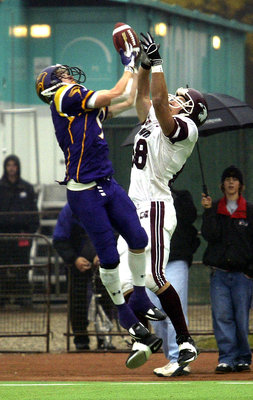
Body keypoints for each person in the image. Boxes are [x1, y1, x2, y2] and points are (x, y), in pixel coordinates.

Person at [35, 40, 165, 369]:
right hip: (84, 191)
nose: (69, 75)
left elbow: (120, 100)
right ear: (53, 85)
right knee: (107, 257)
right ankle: (124, 313)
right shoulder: (64, 97)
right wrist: (127, 62)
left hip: (106, 181)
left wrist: (143, 68)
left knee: (138, 239)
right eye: (62, 74)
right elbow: (111, 93)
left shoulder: (78, 104)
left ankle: (139, 297)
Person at [118, 31, 208, 373]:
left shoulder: (187, 128)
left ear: (190, 110)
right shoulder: (156, 118)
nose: (174, 97)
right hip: (133, 206)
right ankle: (144, 337)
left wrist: (157, 63)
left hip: (154, 207)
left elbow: (157, 102)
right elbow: (144, 97)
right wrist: (142, 65)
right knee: (121, 279)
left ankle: (185, 341)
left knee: (154, 277)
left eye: (181, 97)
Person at [201, 165, 253, 374]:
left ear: (241, 185)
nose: (231, 182)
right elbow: (210, 235)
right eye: (227, 179)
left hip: (243, 276)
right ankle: (226, 357)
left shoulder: (250, 211)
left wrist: (250, 270)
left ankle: (243, 357)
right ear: (222, 185)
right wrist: (207, 212)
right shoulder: (213, 208)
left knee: (241, 318)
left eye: (235, 179)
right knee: (222, 316)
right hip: (219, 274)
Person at [149, 188, 200, 377]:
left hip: (176, 259)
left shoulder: (182, 195)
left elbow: (189, 216)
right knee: (156, 313)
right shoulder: (143, 194)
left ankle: (179, 358)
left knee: (175, 310)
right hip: (151, 262)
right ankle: (172, 356)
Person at [53, 203, 116, 351]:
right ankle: (81, 340)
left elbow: (115, 234)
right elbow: (59, 239)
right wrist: (74, 259)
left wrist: (104, 254)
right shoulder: (69, 210)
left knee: (106, 301)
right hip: (76, 267)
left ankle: (104, 339)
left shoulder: (108, 207)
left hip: (103, 265)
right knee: (77, 302)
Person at [0, 154, 39, 307]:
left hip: (22, 235)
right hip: (3, 236)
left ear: (18, 167)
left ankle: (23, 297)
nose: (11, 168)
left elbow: (33, 212)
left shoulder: (27, 188)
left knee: (22, 266)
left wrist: (30, 231)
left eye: (14, 165)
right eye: (9, 165)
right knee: (2, 267)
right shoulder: (0, 188)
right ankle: (2, 297)